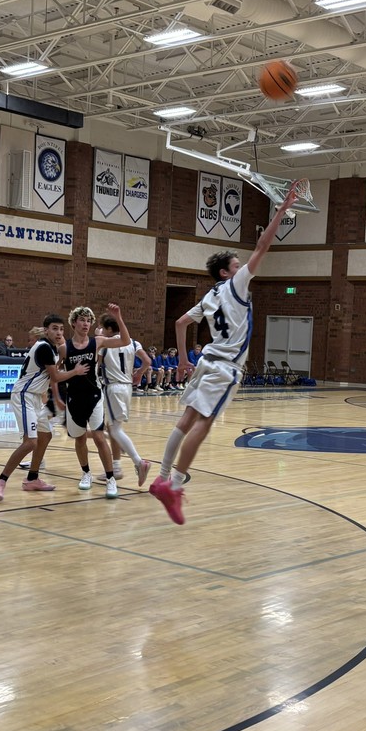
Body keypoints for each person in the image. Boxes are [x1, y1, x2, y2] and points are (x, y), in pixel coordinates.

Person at [150, 179, 302, 524]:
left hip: (206, 362)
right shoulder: (236, 284)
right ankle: (172, 485)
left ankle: (161, 475)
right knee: (204, 423)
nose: (242, 268)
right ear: (226, 272)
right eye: (236, 265)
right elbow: (263, 246)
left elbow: (179, 322)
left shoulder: (208, 296)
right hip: (224, 367)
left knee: (185, 420)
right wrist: (280, 211)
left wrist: (187, 358)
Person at [0, 316, 89, 501]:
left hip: (35, 397)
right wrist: (75, 371)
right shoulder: (44, 348)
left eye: (61, 329)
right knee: (30, 442)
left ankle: (32, 478)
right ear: (46, 330)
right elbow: (55, 377)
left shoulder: (51, 348)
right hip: (24, 396)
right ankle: (0, 482)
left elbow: (50, 376)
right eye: (54, 329)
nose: (59, 332)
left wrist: (53, 395)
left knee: (46, 435)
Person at [60, 304, 130, 499]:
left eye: (89, 320)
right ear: (74, 323)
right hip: (74, 398)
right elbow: (55, 374)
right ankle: (86, 474)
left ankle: (110, 479)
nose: (86, 323)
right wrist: (72, 373)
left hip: (94, 396)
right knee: (80, 439)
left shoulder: (97, 341)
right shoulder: (64, 348)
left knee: (99, 437)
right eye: (82, 320)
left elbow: (125, 340)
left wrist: (118, 315)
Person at [100, 313, 151, 485]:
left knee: (115, 430)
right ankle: (116, 467)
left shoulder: (104, 344)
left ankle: (139, 462)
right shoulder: (132, 342)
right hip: (127, 387)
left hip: (113, 387)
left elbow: (95, 365)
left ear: (108, 329)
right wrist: (139, 373)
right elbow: (147, 360)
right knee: (113, 427)